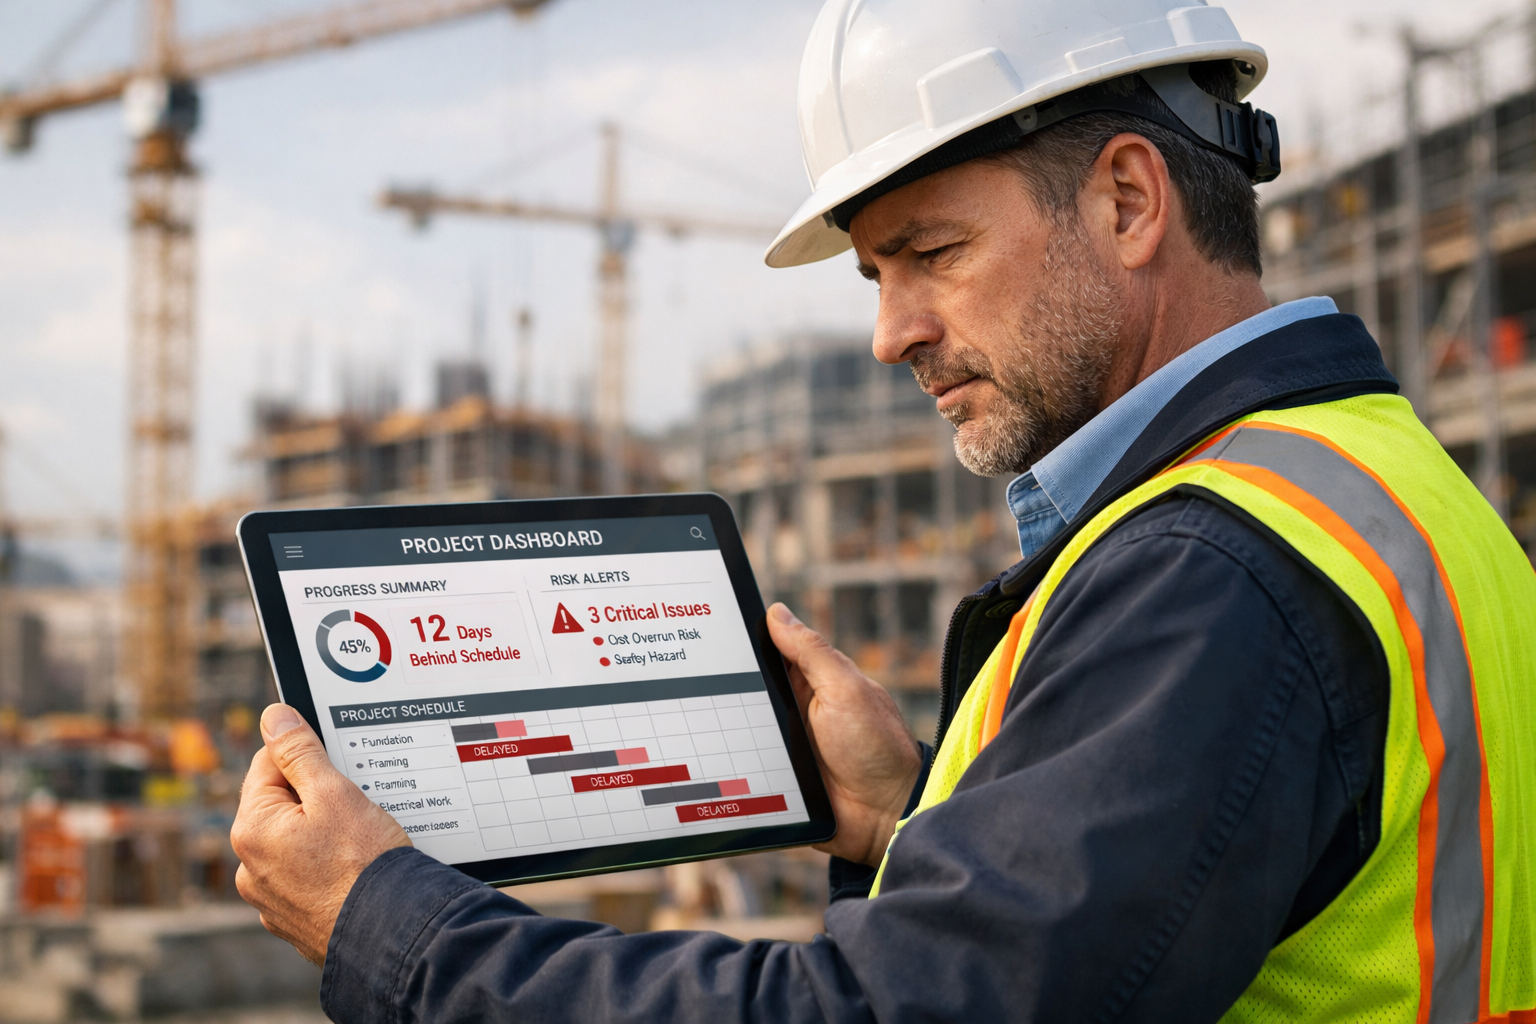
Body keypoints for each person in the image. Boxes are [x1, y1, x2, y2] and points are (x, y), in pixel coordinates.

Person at [232, 1, 1536, 1021]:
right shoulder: (1377, 481)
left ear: (1130, 200)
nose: (889, 333)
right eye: (872, 272)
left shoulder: (1211, 571)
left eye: (933, 252)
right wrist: (908, 819)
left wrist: (391, 927)